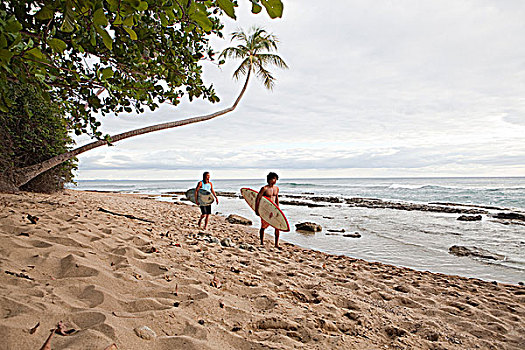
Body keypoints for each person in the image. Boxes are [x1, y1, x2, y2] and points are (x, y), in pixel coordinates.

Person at [255, 172, 281, 248]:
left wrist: (278, 209)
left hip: (274, 210)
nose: (275, 180)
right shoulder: (264, 189)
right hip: (266, 210)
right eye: (273, 178)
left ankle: (276, 244)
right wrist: (257, 210)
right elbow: (258, 199)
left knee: (277, 226)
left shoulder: (276, 188)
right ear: (269, 179)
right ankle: (262, 242)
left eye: (275, 179)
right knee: (263, 227)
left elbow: (276, 199)